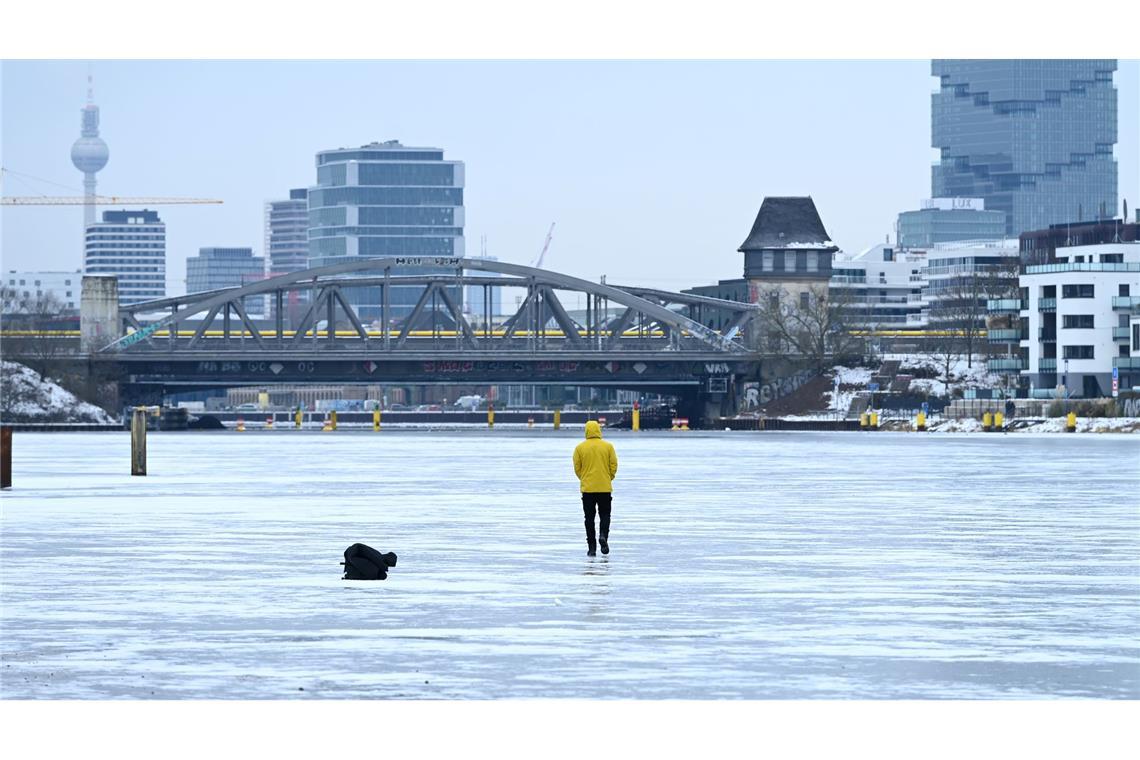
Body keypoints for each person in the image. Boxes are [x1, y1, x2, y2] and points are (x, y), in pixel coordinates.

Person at [573, 419, 618, 557]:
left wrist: (584, 478)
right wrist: (608, 477)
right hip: (604, 488)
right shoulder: (608, 446)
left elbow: (577, 468)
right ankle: (603, 536)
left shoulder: (580, 448)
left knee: (589, 518)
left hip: (588, 489)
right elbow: (614, 465)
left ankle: (591, 547)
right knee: (605, 515)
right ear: (599, 430)